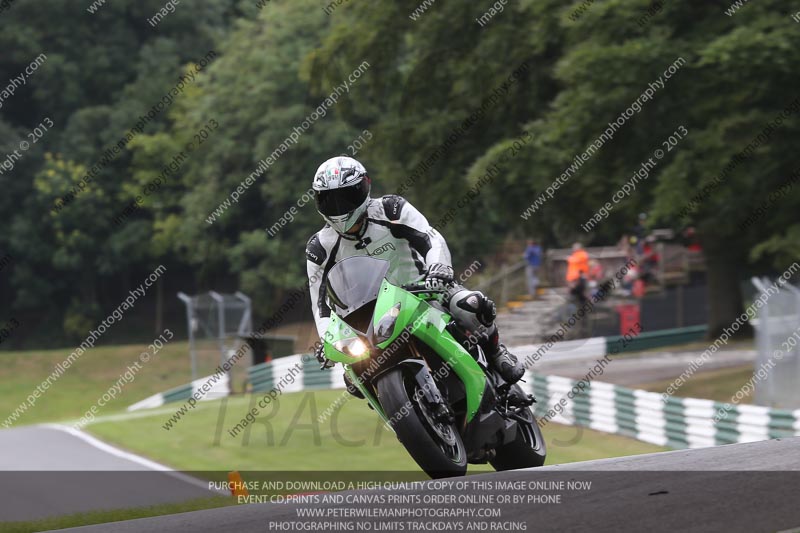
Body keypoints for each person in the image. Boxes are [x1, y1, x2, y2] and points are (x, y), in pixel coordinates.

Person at [305, 156, 525, 393]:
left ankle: (496, 352)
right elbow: (320, 304)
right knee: (354, 378)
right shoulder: (320, 247)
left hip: (425, 290)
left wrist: (439, 267)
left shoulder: (391, 208)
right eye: (330, 200)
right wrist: (328, 337)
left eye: (347, 196)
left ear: (364, 187)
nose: (340, 208)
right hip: (369, 319)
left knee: (471, 304)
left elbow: (430, 237)